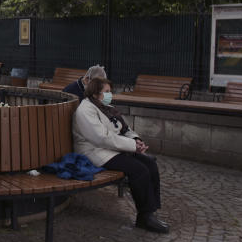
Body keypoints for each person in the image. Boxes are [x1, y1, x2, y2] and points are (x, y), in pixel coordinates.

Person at [72, 77, 170, 234]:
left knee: (150, 163)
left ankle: (151, 211)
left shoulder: (105, 107)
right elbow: (101, 137)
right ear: (96, 93)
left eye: (110, 91)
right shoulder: (86, 110)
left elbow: (123, 128)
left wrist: (136, 140)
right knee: (139, 170)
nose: (110, 94)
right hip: (95, 151)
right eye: (107, 91)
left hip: (112, 148)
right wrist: (132, 147)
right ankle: (144, 218)